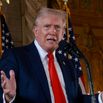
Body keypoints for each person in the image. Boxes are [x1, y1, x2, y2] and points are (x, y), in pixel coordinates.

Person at [0, 7, 103, 103]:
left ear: (63, 33)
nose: (53, 31)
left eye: (57, 28)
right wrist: (9, 98)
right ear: (36, 31)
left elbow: (78, 99)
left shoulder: (69, 64)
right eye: (47, 26)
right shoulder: (16, 57)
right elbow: (3, 92)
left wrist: (100, 98)